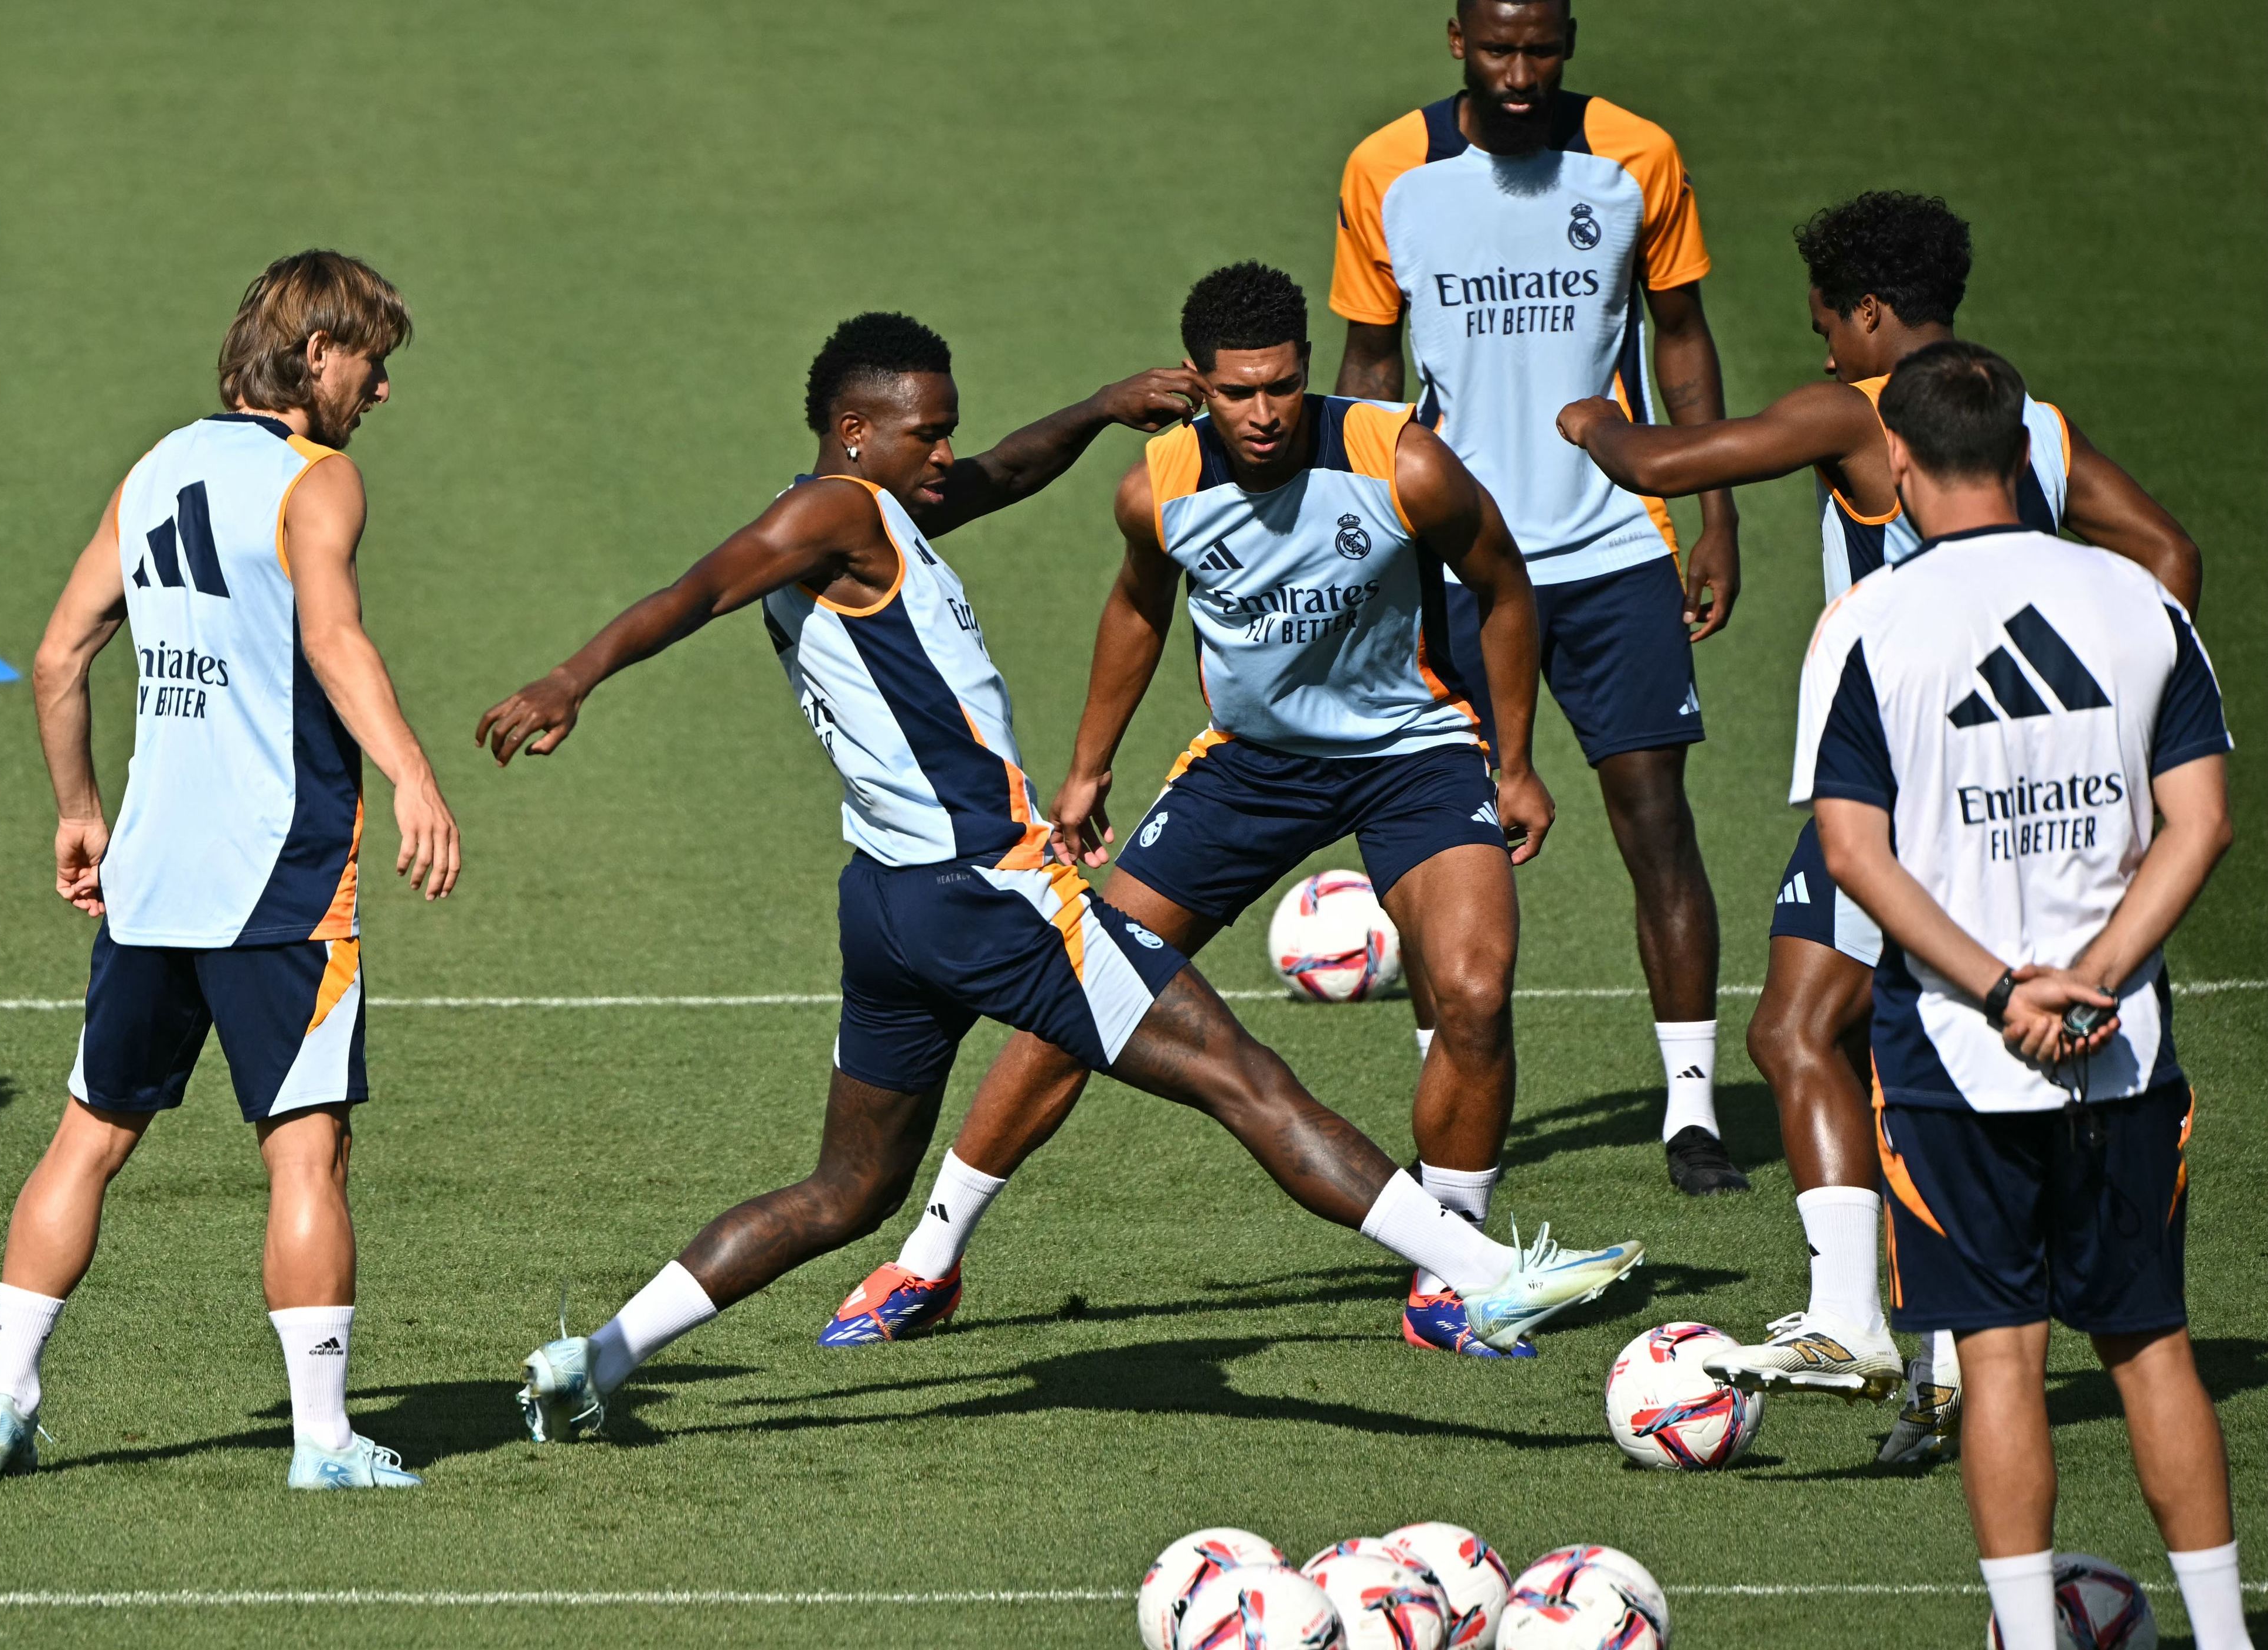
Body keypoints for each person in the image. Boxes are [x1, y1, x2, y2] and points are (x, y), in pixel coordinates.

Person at [476, 312, 1642, 1443]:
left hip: (887, 901)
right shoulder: (834, 511)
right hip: (994, 892)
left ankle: (601, 1359)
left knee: (847, 1187)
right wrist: (573, 678)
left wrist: (1094, 410)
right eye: (925, 433)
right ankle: (1484, 1271)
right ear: (850, 430)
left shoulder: (879, 507)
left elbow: (1000, 475)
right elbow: (699, 587)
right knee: (1243, 1076)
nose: (947, 455)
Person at [1559, 192, 2200, 1458]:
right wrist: (2117, 710)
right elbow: (2170, 557)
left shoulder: (1863, 411)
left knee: (1796, 1029)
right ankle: (1950, 1358)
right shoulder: (2026, 420)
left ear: (1868, 311)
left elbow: (1659, 467)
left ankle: (1855, 1318)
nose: (1822, 350)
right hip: (2023, 793)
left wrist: (1580, 410)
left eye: (1824, 324)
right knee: (1876, 1044)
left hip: (1898, 782)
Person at [827, 263, 1560, 1359]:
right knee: (1076, 988)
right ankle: (930, 1259)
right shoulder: (1158, 486)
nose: (1262, 414)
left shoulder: (1401, 461)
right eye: (1235, 393)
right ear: (1199, 386)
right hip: (1251, 768)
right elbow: (1138, 608)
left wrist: (1517, 760)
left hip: (1412, 755)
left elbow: (1503, 586)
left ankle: (1453, 1265)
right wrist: (1088, 769)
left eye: (1280, 387)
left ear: (1304, 371)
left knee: (1473, 987)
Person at [0, 252, 459, 1492]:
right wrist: (411, 772)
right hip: (278, 877)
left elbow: (59, 656)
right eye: (372, 362)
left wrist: (83, 812)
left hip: (153, 872)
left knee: (89, 1135)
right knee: (306, 1148)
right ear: (317, 355)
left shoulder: (156, 469)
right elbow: (331, 635)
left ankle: (2, 1401)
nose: (379, 392)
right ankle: (324, 1440)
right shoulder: (316, 480)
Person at [1796, 341, 2243, 1650]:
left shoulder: (1868, 624)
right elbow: (2200, 822)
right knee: (2150, 1341)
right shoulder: (2137, 601)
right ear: (2026, 460)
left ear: (1898, 465)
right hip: (2120, 1049)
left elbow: (1852, 851)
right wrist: (2095, 978)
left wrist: (1999, 989)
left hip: (1953, 1050)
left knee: (1999, 1354)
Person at [1330, 0, 1744, 1193]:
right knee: (1439, 829)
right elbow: (1365, 366)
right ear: (1454, 38)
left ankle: (1691, 1109)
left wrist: (1714, 515)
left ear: (1569, 40)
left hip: (1616, 540)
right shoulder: (1387, 170)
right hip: (1456, 548)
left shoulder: (1636, 155)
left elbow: (1681, 337)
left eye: (1543, 50)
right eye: (1499, 49)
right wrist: (1363, 543)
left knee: (1653, 814)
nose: (1521, 75)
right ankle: (1443, 1086)